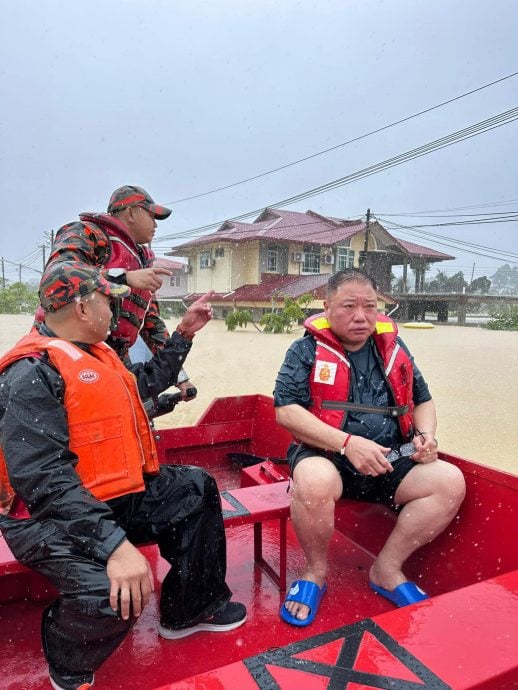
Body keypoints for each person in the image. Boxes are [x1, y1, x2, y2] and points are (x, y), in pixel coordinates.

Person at [0, 262, 246, 690]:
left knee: (194, 486)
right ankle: (69, 666)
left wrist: (184, 333)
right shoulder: (31, 373)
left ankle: (190, 608)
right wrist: (115, 546)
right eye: (106, 300)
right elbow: (42, 479)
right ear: (81, 307)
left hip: (110, 497)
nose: (114, 308)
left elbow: (148, 379)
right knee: (113, 595)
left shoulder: (100, 352)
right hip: (45, 518)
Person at [274, 269, 466, 627]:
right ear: (327, 306)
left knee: (450, 481)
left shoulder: (395, 348)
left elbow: (423, 400)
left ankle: (387, 569)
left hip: (390, 461)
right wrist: (347, 444)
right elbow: (286, 411)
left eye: (370, 306)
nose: (361, 316)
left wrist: (427, 437)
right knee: (313, 479)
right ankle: (315, 573)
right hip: (328, 458)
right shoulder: (305, 350)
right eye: (349, 306)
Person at [42, 184, 193, 396]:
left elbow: (152, 323)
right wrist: (123, 277)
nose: (155, 225)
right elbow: (59, 275)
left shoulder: (142, 261)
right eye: (151, 216)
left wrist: (180, 376)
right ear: (131, 212)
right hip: (68, 351)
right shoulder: (86, 233)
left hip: (115, 356)